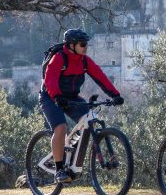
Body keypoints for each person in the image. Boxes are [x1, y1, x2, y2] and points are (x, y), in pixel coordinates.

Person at [39, 28, 124, 184]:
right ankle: (59, 170)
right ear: (71, 45)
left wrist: (115, 95)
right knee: (61, 127)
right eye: (82, 44)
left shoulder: (84, 61)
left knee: (88, 119)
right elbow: (50, 80)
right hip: (50, 97)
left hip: (71, 98)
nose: (85, 47)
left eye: (86, 45)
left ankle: (71, 156)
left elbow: (100, 77)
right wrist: (57, 97)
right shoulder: (59, 58)